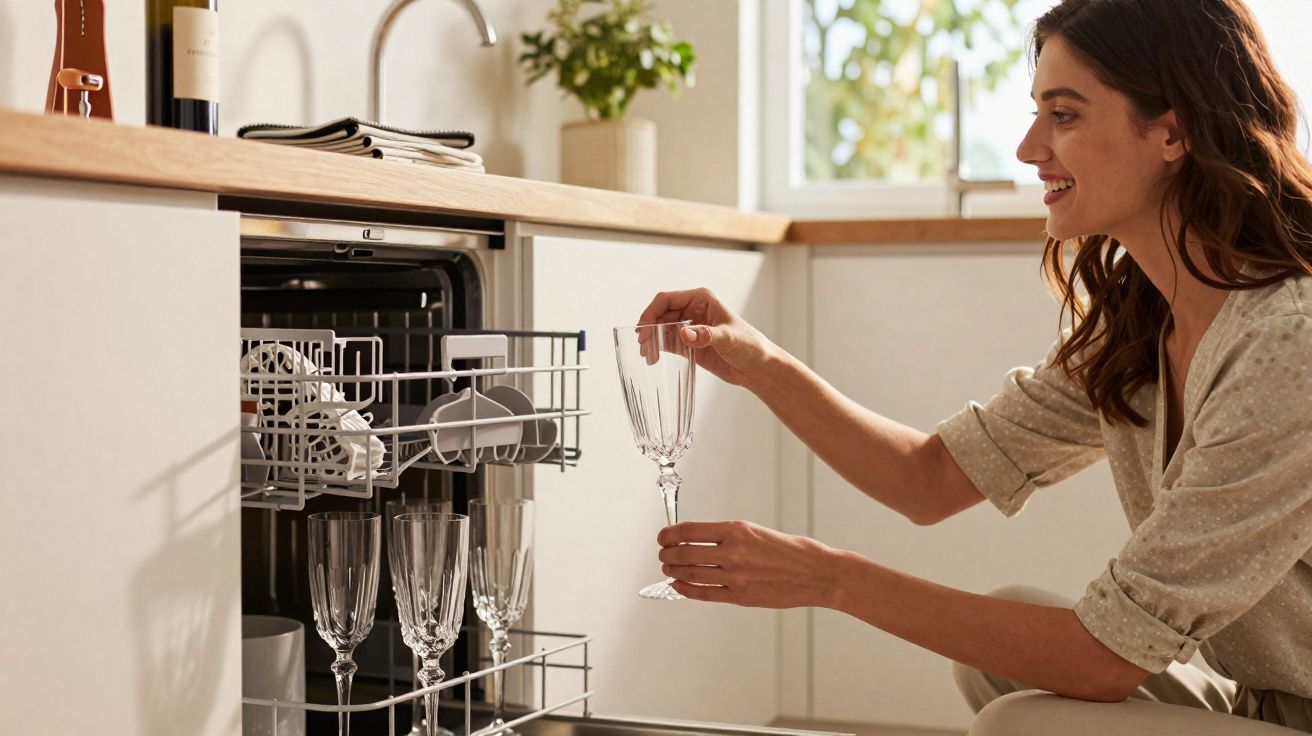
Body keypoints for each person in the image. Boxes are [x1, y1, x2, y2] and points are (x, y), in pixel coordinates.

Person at [639, 0, 1312, 733]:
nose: (1027, 148)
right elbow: (926, 479)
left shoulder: (1287, 345)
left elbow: (1101, 660)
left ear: (1173, 130)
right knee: (998, 657)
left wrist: (826, 578)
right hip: (1262, 700)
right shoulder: (1145, 323)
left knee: (1019, 720)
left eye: (1064, 115)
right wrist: (758, 362)